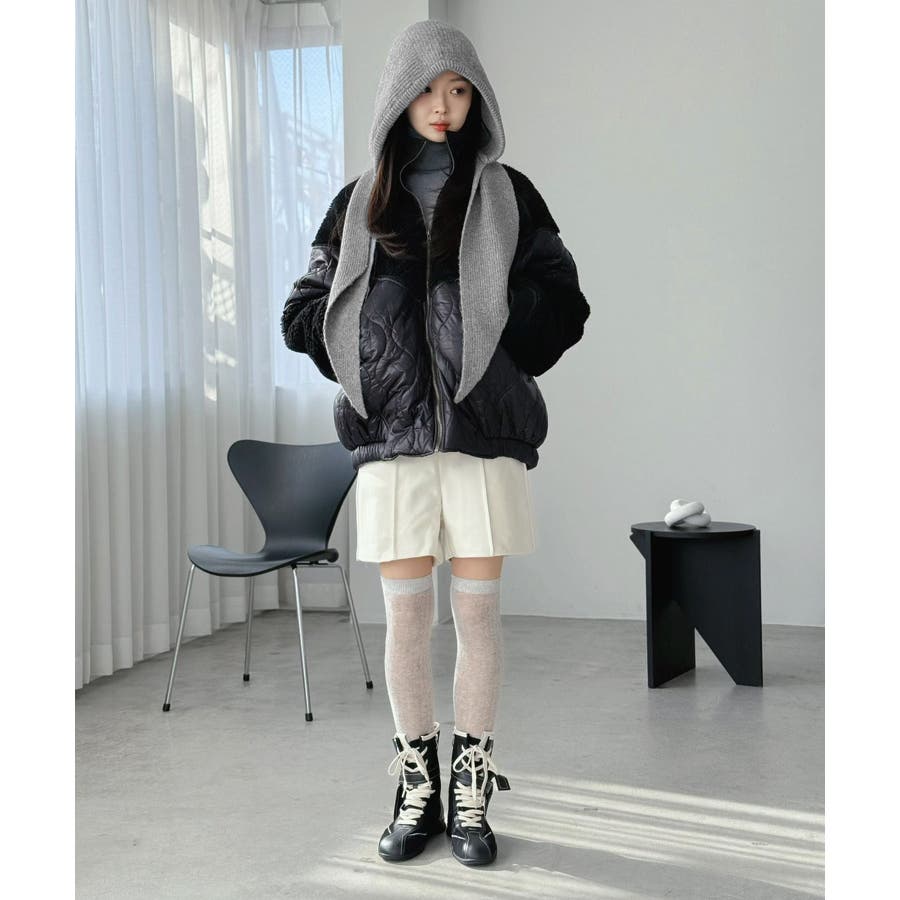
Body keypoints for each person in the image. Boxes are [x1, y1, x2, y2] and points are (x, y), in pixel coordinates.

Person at [281, 19, 590, 867]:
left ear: (476, 98)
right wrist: (364, 351)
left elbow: (564, 303)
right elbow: (303, 309)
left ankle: (472, 789)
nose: (443, 106)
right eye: (427, 89)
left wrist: (491, 316)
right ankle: (417, 785)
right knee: (408, 619)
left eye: (458, 90)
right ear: (398, 96)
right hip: (393, 442)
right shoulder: (359, 204)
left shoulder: (508, 195)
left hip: (482, 436)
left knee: (478, 616)